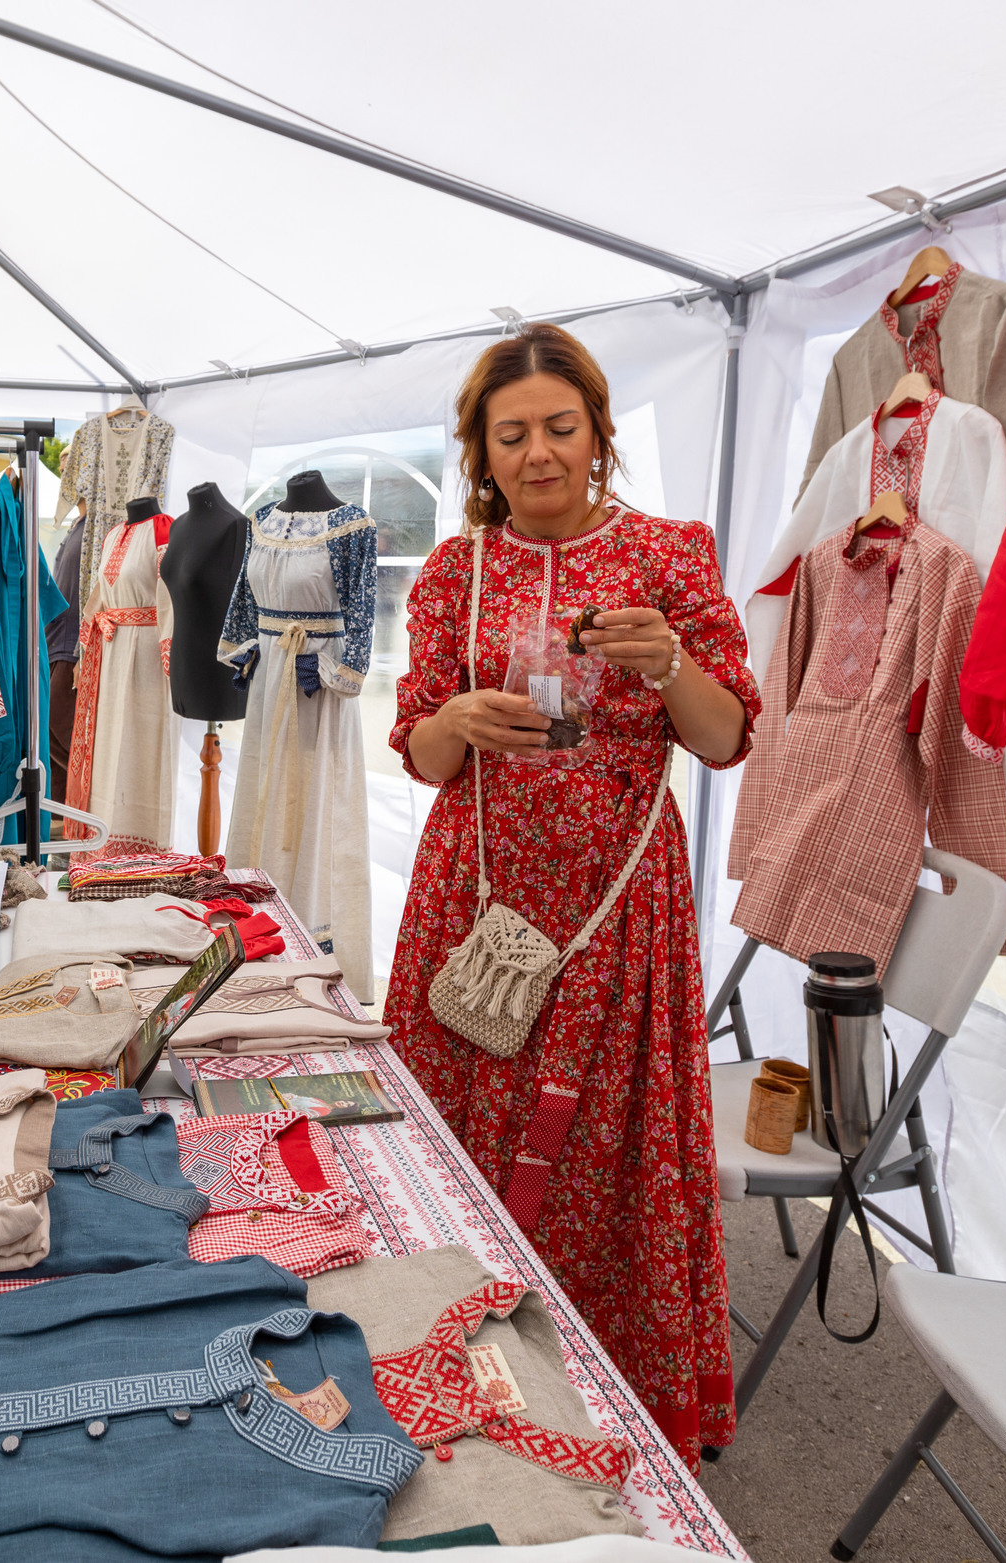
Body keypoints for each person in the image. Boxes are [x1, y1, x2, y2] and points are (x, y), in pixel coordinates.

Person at [385, 322, 758, 1463]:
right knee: (455, 1133)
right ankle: (445, 1362)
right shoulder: (459, 571)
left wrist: (667, 665)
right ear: (480, 454)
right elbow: (421, 751)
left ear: (598, 434)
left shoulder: (670, 555)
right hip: (475, 894)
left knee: (605, 1157)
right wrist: (451, 720)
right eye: (512, 435)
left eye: (560, 426)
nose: (538, 453)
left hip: (615, 907)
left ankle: (602, 1398)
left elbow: (729, 736)